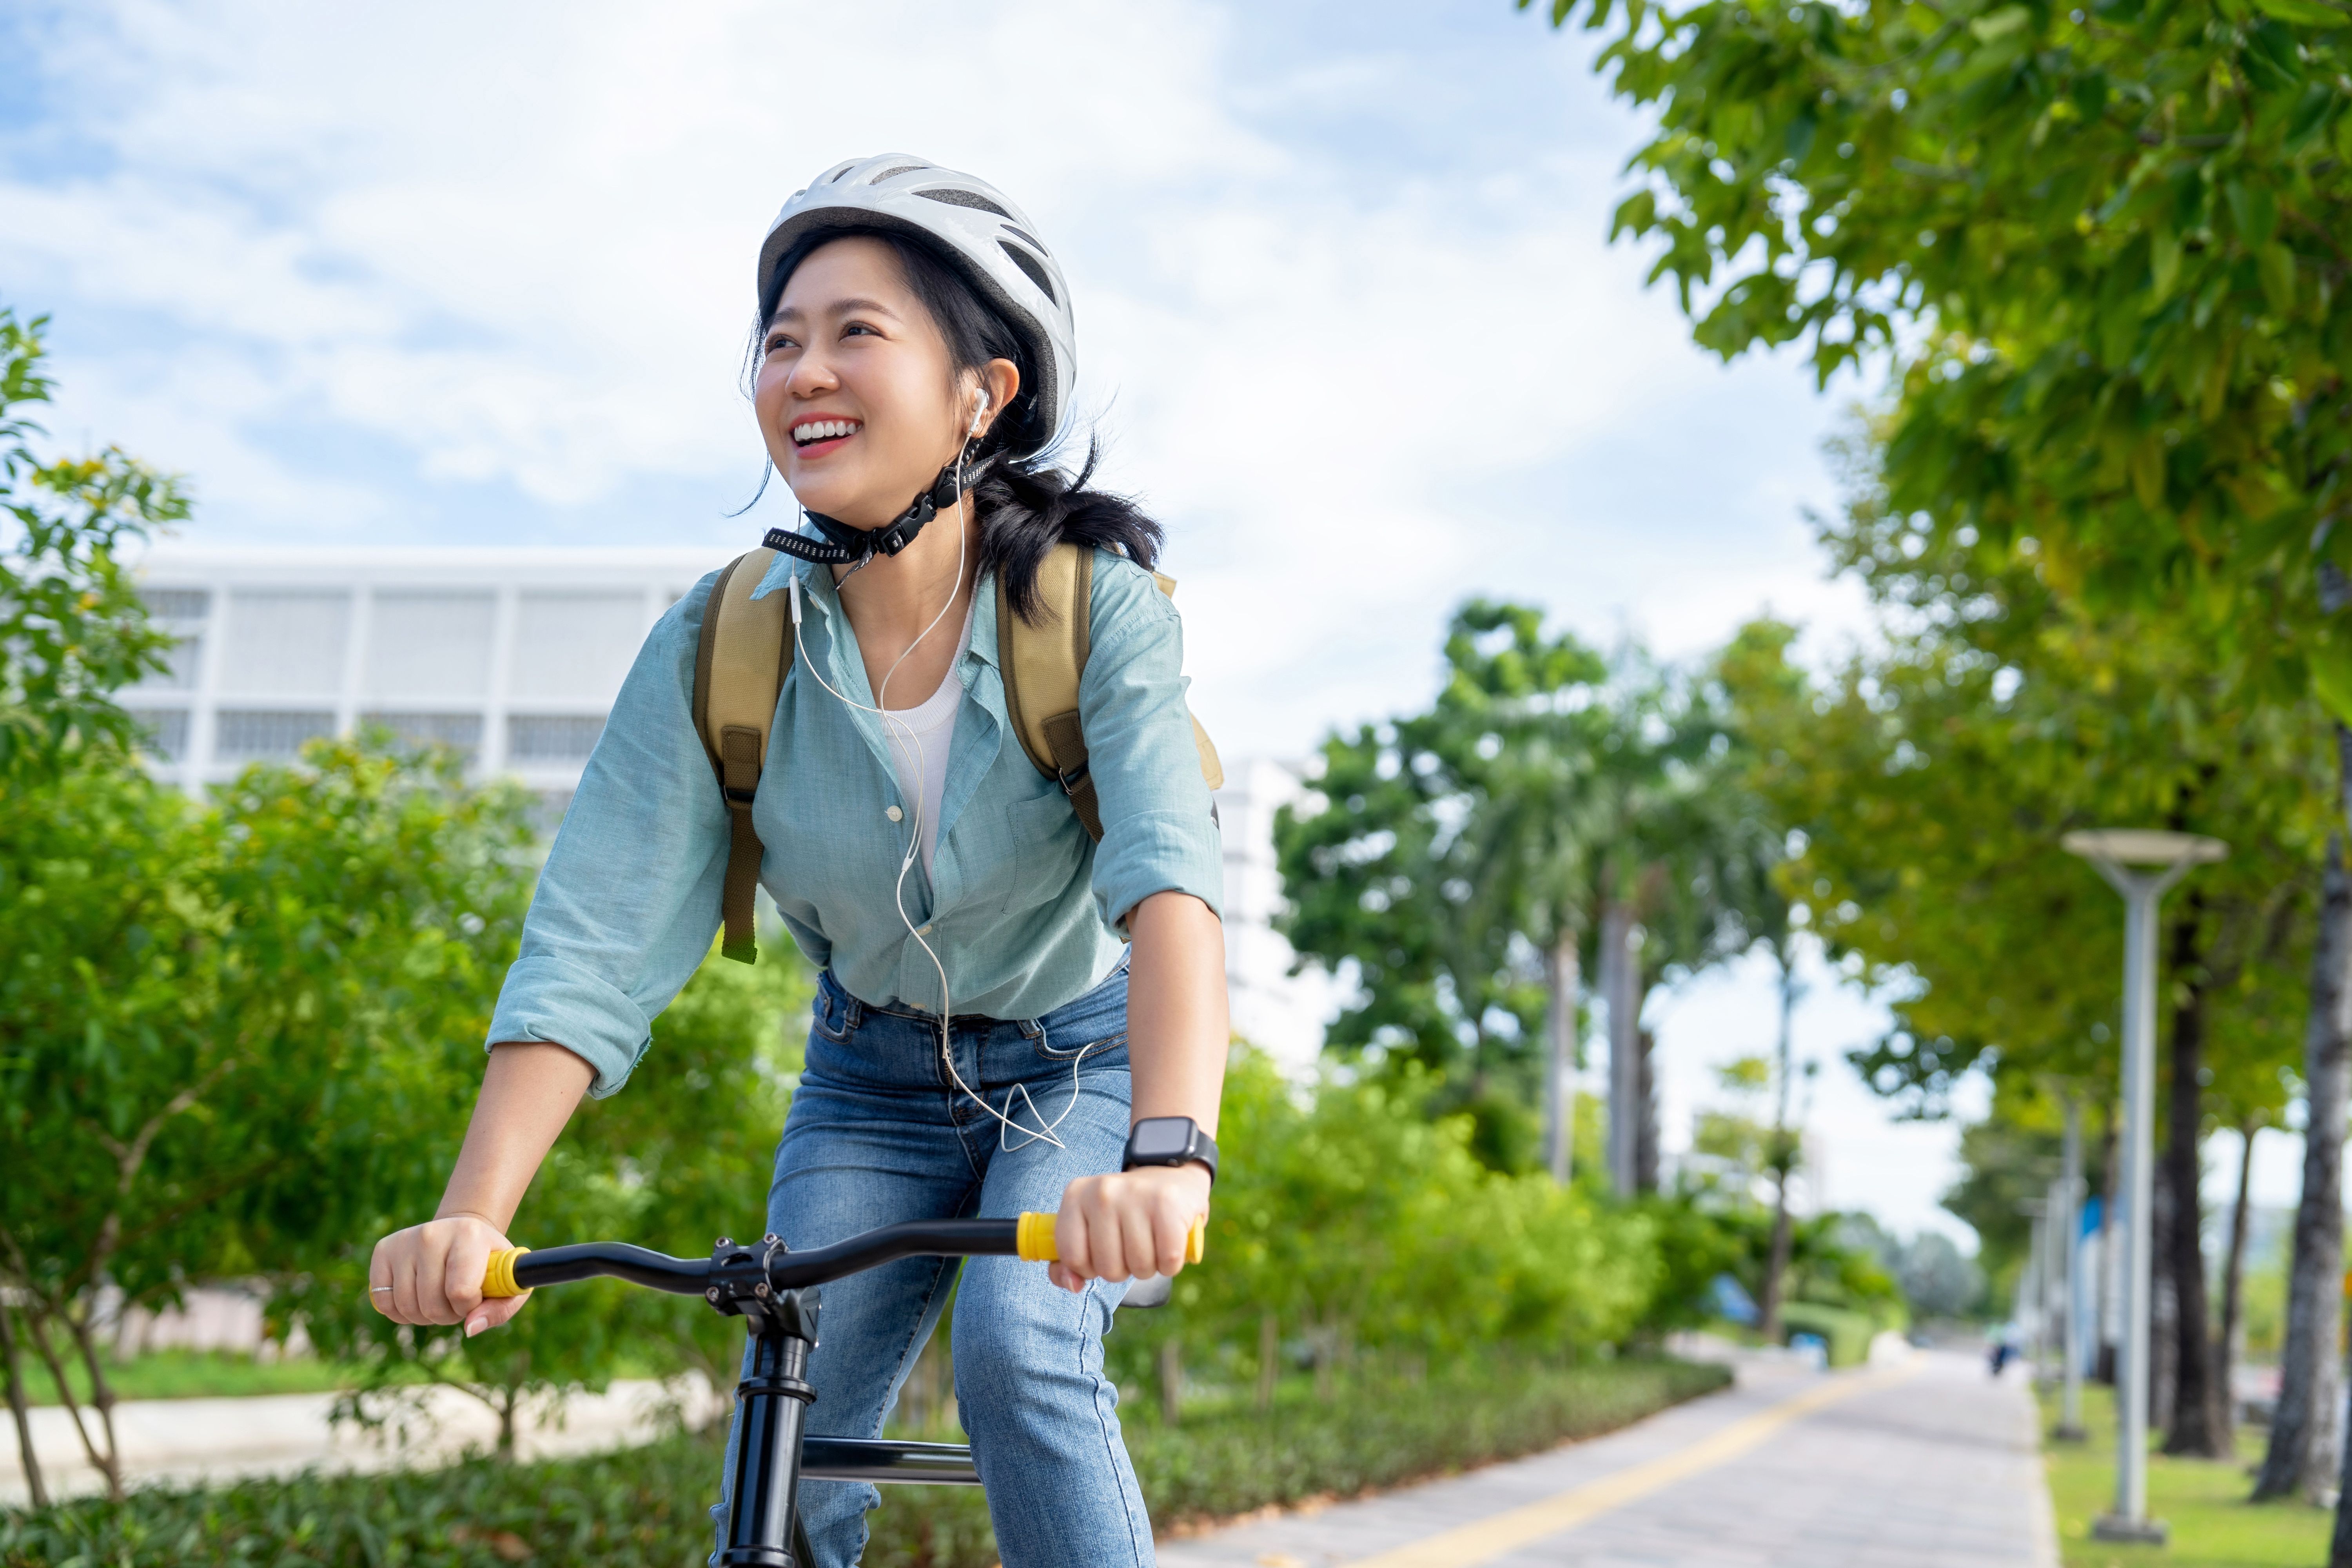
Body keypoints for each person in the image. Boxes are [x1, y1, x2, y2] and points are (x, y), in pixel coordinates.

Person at [366, 154, 1229, 1568]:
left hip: (1081, 1067)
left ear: (983, 392)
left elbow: (1170, 889)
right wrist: (473, 1219)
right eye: (781, 339)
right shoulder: (723, 641)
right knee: (787, 1414)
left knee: (1023, 1348)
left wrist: (1170, 1161)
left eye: (856, 333)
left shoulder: (1092, 611)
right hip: (870, 1085)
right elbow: (596, 935)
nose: (803, 369)